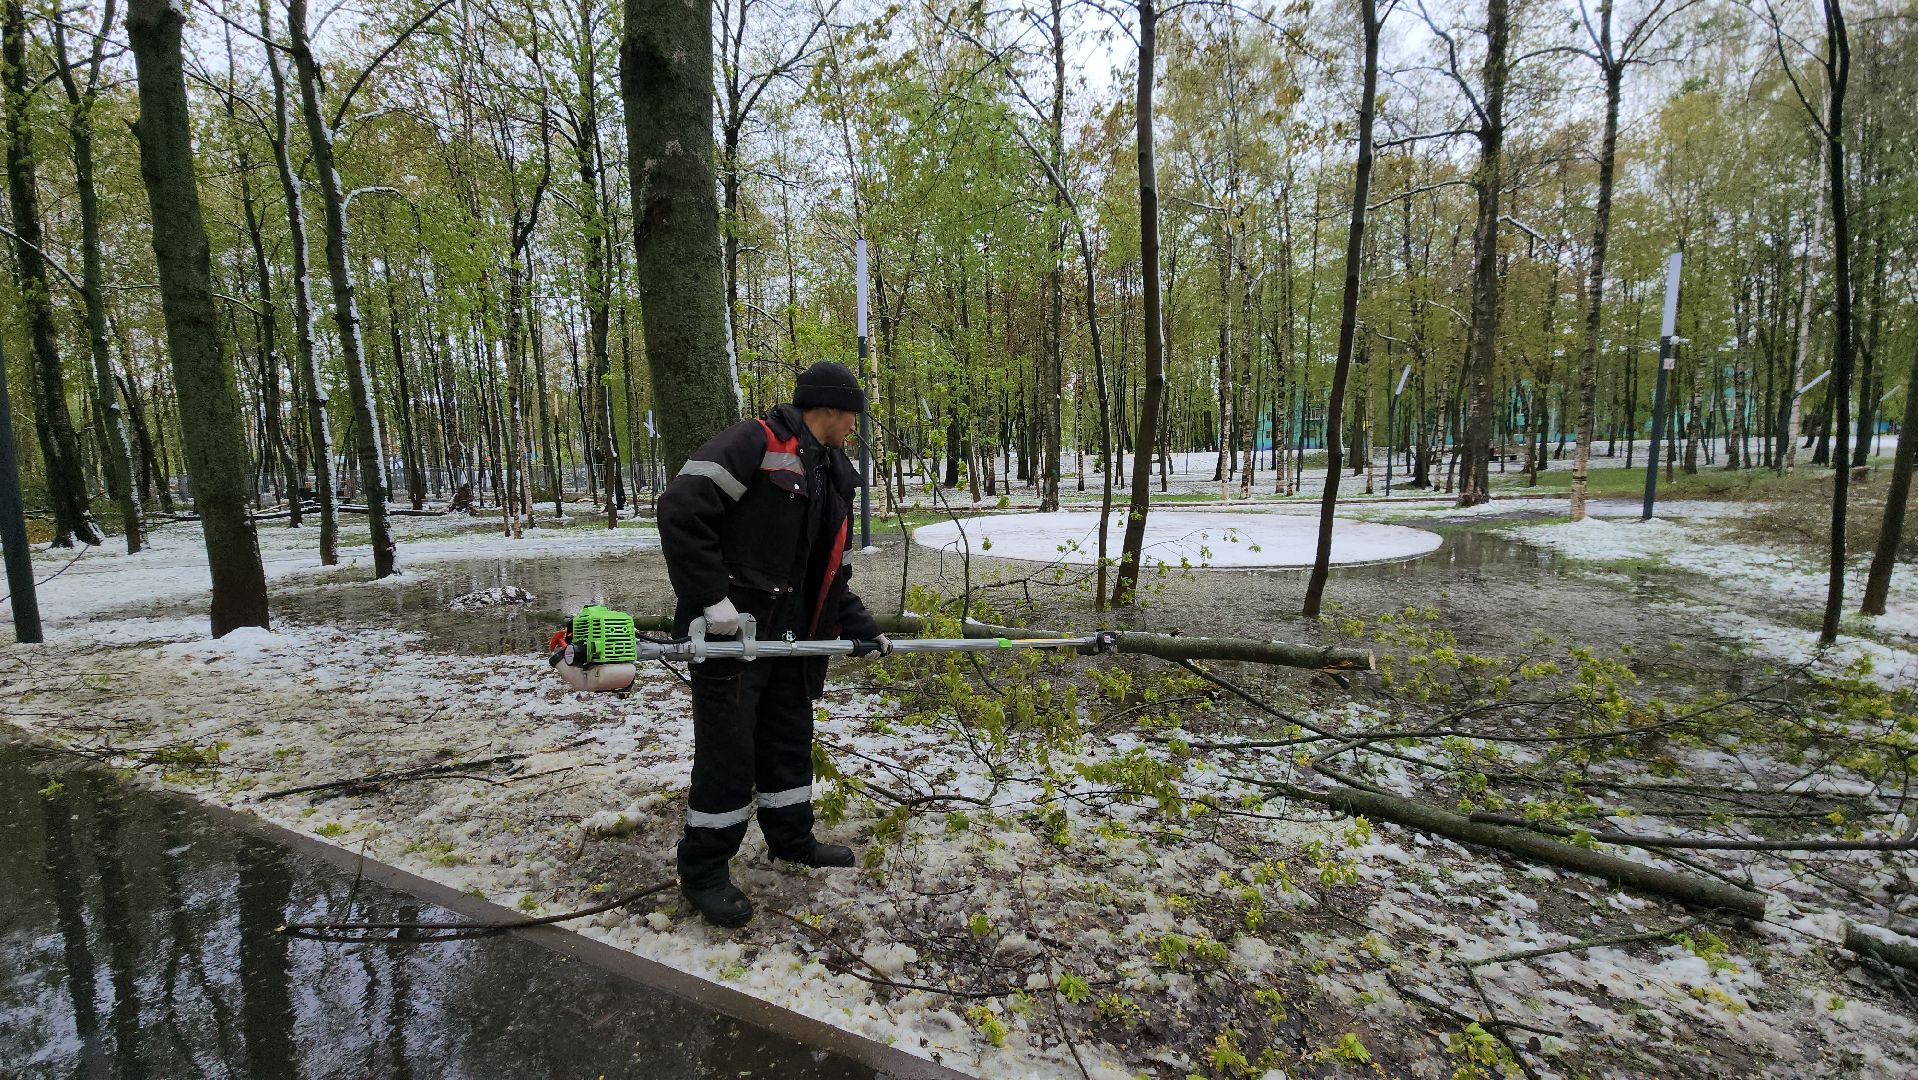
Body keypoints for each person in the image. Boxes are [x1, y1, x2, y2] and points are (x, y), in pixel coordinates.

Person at [656, 361, 890, 927]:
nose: (854, 429)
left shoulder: (829, 470)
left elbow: (828, 570)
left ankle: (791, 840)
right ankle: (705, 870)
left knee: (788, 738)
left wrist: (859, 627)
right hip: (729, 637)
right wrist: (712, 600)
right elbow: (682, 509)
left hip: (793, 636)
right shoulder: (754, 442)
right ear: (829, 411)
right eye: (851, 417)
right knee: (729, 756)